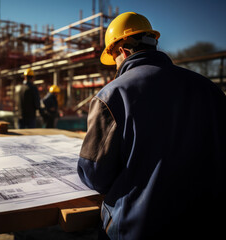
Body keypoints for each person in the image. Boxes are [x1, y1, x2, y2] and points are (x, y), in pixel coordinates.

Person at [77, 12, 226, 240]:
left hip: (139, 228)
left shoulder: (112, 94)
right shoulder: (210, 89)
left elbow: (96, 176)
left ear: (122, 51)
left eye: (114, 58)